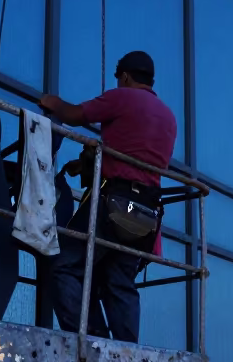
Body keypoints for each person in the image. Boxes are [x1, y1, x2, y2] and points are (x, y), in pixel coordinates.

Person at [39, 51, 176, 343]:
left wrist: (51, 102)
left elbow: (74, 114)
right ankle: (127, 350)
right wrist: (89, 162)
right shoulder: (168, 117)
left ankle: (91, 340)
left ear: (125, 76)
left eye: (119, 79)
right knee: (119, 280)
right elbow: (134, 149)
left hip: (115, 202)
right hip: (146, 212)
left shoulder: (122, 97)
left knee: (63, 264)